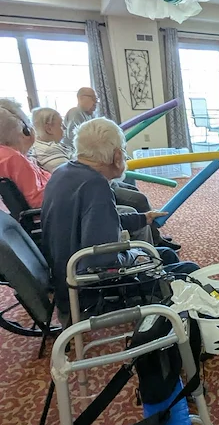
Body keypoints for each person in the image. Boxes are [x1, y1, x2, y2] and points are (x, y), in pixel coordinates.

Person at [41, 118, 199, 317]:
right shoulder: (96, 187)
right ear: (117, 156)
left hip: (64, 275)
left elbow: (99, 222)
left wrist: (143, 218)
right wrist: (136, 255)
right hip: (89, 289)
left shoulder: (63, 171)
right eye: (123, 150)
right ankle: (172, 320)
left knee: (165, 253)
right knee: (189, 270)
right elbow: (105, 260)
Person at [0, 103, 50, 208]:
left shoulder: (7, 156)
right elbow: (37, 200)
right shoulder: (13, 158)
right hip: (42, 216)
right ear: (25, 131)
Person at [30, 107, 70, 172]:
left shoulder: (38, 145)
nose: (65, 128)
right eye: (61, 125)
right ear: (49, 129)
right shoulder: (49, 150)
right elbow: (70, 176)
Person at [63, 87, 98, 152]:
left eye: (96, 99)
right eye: (93, 98)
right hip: (73, 152)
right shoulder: (75, 112)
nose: (96, 102)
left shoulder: (92, 115)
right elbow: (74, 138)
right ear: (81, 98)